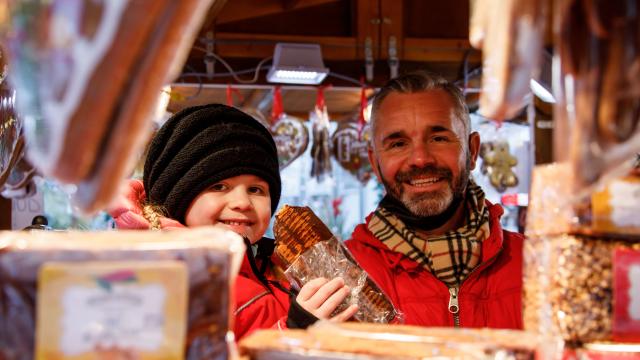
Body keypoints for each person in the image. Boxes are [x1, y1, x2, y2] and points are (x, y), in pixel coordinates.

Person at [108, 104, 355, 340]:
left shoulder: (276, 268)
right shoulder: (169, 280)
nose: (242, 203)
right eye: (219, 186)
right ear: (176, 198)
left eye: (256, 189)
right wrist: (293, 333)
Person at [343, 71, 524, 329]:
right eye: (398, 144)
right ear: (375, 163)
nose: (420, 159)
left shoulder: (537, 266)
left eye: (438, 138)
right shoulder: (345, 276)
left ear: (472, 152)